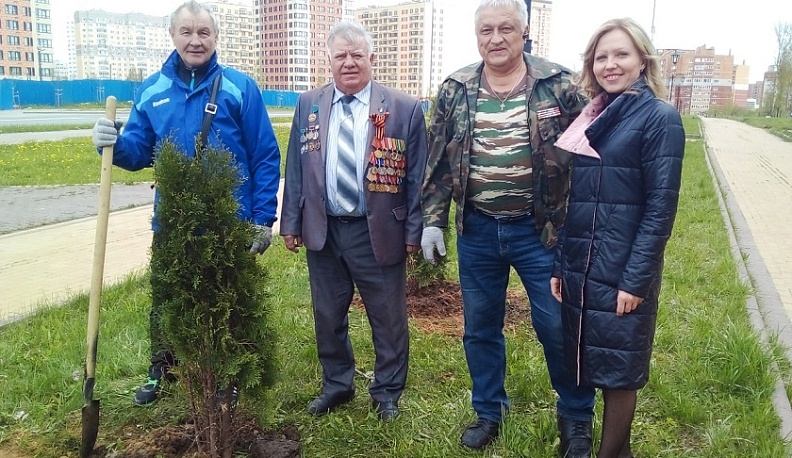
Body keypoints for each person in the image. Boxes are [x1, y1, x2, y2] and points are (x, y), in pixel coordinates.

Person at [420, 0, 597, 453]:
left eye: (505, 29)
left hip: (542, 233)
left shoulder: (558, 86)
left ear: (524, 32)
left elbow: (595, 149)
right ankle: (488, 411)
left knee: (556, 324)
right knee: (480, 327)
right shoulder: (455, 88)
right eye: (486, 31)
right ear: (476, 36)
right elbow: (437, 161)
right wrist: (433, 222)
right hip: (477, 231)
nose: (495, 39)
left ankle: (575, 416)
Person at [91, 0, 280, 406]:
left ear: (216, 37)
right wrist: (112, 144)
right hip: (174, 221)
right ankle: (163, 369)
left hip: (231, 219)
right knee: (168, 297)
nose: (196, 40)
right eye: (187, 32)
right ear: (173, 36)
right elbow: (139, 151)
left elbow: (264, 154)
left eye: (204, 32)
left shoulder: (239, 86)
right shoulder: (153, 90)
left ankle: (227, 374)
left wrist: (263, 218)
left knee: (229, 300)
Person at [279, 19, 428, 422]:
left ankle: (387, 391)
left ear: (371, 59)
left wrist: (414, 230)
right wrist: (290, 222)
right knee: (327, 314)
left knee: (388, 317)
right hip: (324, 229)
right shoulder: (308, 104)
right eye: (340, 55)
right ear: (328, 60)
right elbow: (296, 166)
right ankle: (337, 385)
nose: (348, 63)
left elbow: (417, 179)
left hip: (376, 229)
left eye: (356, 55)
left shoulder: (403, 109)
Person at [550, 17, 684, 458]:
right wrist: (559, 265)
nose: (610, 64)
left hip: (623, 268)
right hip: (583, 265)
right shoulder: (594, 114)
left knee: (620, 371)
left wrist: (635, 280)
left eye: (621, 54)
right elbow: (576, 200)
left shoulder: (658, 118)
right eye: (601, 56)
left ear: (643, 60)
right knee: (597, 362)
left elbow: (660, 209)